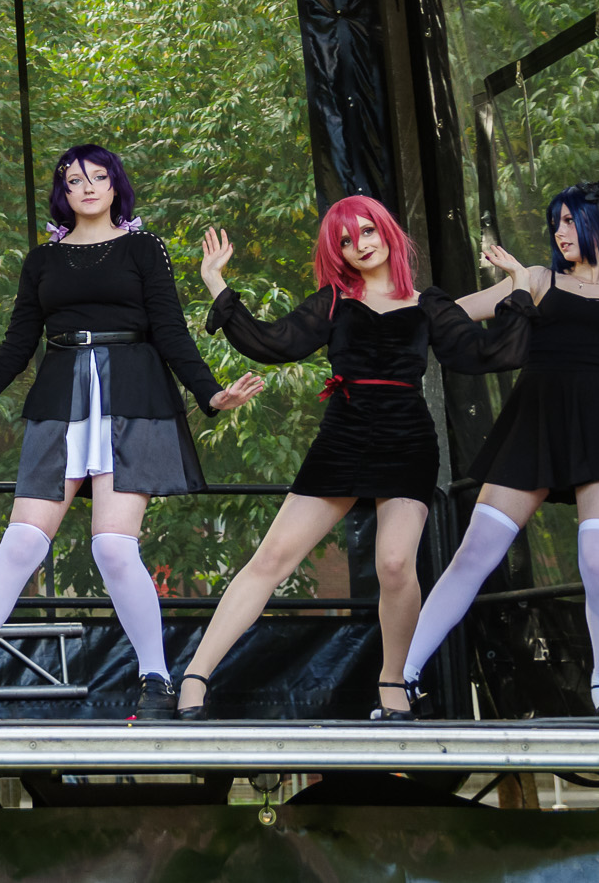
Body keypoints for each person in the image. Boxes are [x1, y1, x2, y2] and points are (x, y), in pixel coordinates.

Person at [0, 143, 265, 721]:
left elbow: (171, 331)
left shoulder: (144, 248)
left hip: (133, 394)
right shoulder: (42, 261)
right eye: (75, 180)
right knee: (22, 541)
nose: (89, 187)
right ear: (64, 192)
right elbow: (16, 346)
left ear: (115, 185)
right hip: (61, 398)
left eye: (99, 177)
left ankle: (156, 681)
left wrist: (210, 393)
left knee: (113, 546)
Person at [391, 180, 599, 720]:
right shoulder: (536, 279)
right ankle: (402, 677)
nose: (560, 231)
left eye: (571, 220)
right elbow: (450, 313)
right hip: (534, 423)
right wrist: (385, 306)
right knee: (474, 555)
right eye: (556, 222)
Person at [171, 196, 525, 720]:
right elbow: (272, 342)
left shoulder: (428, 304)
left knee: (395, 564)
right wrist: (215, 282)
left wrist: (520, 290)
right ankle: (194, 680)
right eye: (345, 240)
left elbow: (485, 354)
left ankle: (394, 685)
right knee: (271, 559)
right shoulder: (335, 301)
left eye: (367, 231)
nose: (360, 245)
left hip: (407, 439)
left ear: (386, 232)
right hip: (344, 435)